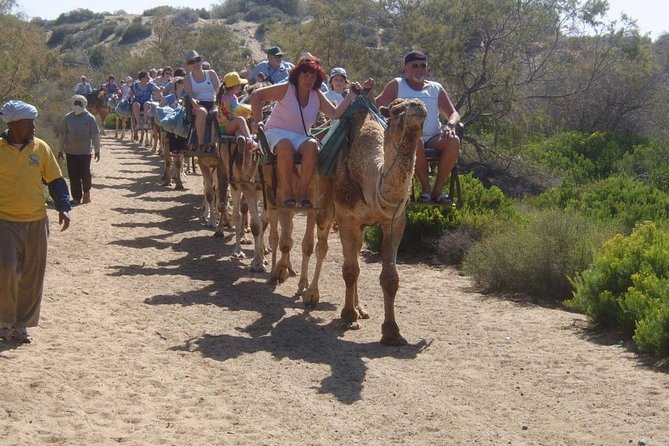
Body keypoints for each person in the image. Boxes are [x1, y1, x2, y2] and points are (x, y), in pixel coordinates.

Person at [250, 56, 373, 208]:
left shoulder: (316, 94)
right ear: (298, 75)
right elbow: (256, 95)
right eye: (305, 75)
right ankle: (288, 194)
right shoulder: (287, 88)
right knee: (285, 146)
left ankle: (303, 194)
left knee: (312, 146)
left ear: (317, 78)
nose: (309, 79)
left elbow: (334, 114)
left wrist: (351, 95)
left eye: (312, 76)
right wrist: (257, 120)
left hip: (300, 136)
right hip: (275, 133)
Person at [0, 100, 71, 344]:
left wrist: (63, 206)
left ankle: (21, 325)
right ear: (14, 124)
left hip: (36, 220)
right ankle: (5, 321)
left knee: (32, 274)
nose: (33, 126)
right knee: (6, 270)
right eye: (29, 122)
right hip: (5, 220)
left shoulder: (40, 148)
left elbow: (55, 179)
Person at [375, 50, 461, 205]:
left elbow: (453, 113)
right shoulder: (397, 85)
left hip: (434, 136)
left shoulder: (435, 88)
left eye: (423, 65)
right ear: (406, 68)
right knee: (417, 141)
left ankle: (438, 190)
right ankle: (426, 189)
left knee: (453, 141)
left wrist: (450, 125)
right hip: (407, 137)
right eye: (415, 65)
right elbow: (378, 105)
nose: (419, 69)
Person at [58, 95, 101, 205]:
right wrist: (60, 150)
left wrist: (97, 150)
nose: (77, 106)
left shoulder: (90, 118)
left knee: (85, 173)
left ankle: (86, 192)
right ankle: (76, 197)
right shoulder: (67, 118)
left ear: (83, 105)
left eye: (79, 104)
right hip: (71, 152)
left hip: (85, 152)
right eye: (75, 103)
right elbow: (63, 134)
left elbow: (95, 135)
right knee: (73, 175)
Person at [183, 50, 220, 153]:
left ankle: (212, 144)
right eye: (192, 62)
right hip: (199, 103)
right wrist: (193, 101)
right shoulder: (187, 79)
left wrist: (216, 104)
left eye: (197, 60)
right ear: (188, 66)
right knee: (202, 112)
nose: (195, 64)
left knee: (215, 113)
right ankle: (201, 143)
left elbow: (218, 91)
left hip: (213, 102)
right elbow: (190, 94)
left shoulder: (211, 74)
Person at [218, 71, 255, 150]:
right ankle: (250, 139)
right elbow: (235, 111)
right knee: (240, 120)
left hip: (231, 124)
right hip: (226, 127)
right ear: (234, 86)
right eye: (239, 85)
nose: (240, 87)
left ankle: (240, 139)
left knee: (239, 131)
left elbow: (236, 107)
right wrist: (250, 110)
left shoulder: (232, 96)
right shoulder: (226, 99)